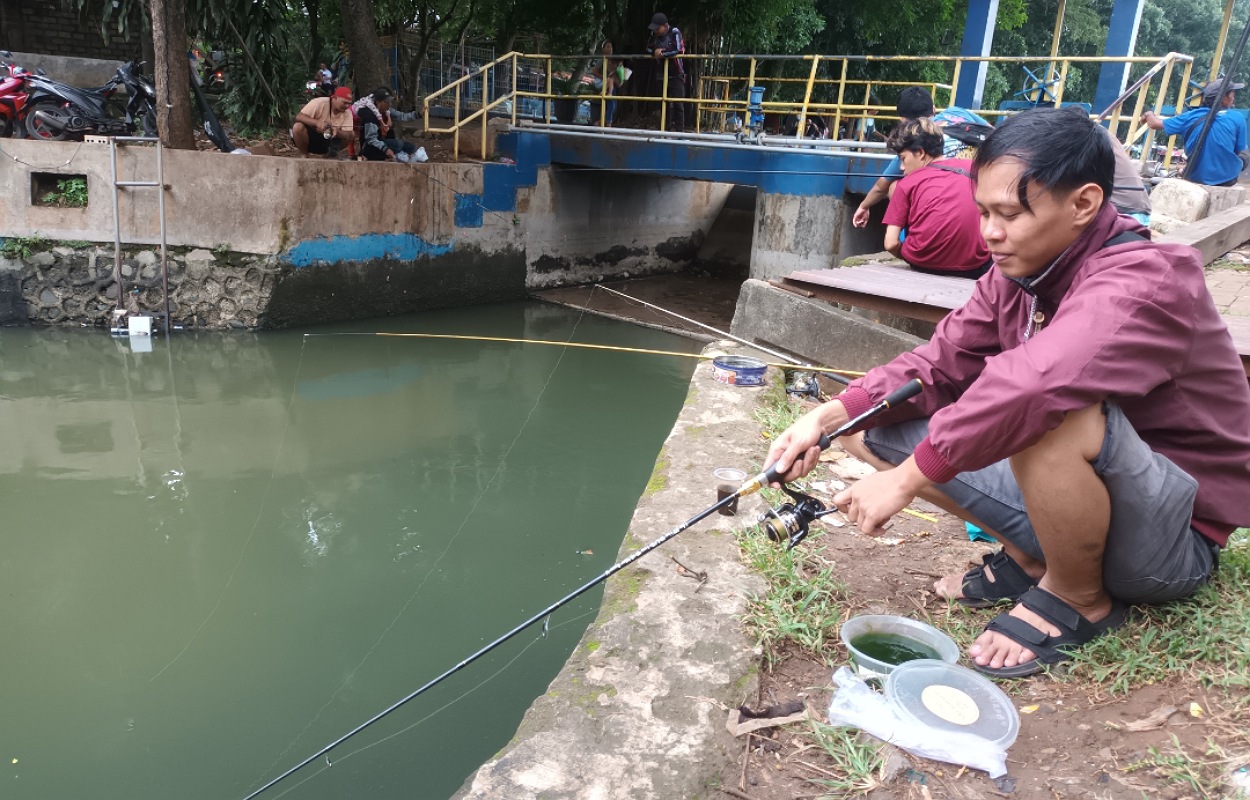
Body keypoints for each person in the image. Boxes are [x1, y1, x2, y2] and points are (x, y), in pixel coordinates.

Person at [765, 108, 1250, 679]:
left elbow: (1034, 385)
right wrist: (828, 416)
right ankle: (1029, 559)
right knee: (871, 422)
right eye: (984, 213)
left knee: (1050, 413)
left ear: (1084, 204)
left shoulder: (1146, 280)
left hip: (1170, 542)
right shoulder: (1020, 274)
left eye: (1010, 214)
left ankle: (1076, 597)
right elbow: (940, 362)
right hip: (1094, 506)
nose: (989, 232)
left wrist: (905, 479)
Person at [852, 87, 992, 227]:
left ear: (903, 120)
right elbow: (991, 131)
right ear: (934, 108)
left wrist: (863, 206)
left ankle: (911, 234)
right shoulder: (956, 112)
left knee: (895, 186)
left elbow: (880, 187)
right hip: (984, 194)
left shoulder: (913, 142)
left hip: (945, 211)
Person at [881, 118, 991, 278]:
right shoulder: (974, 168)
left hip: (922, 264)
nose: (901, 167)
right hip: (975, 266)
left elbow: (890, 243)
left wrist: (910, 255)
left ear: (920, 153)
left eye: (903, 159)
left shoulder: (905, 184)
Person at [1142, 79, 1249, 187]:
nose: (1233, 98)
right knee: (1244, 155)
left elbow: (1154, 123)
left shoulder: (1190, 116)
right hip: (1226, 180)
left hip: (1194, 177)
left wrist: (1149, 114)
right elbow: (1239, 151)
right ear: (1223, 98)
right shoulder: (1237, 117)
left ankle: (1187, 170)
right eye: (1232, 94)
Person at [352, 86, 421, 162]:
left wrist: (418, 114)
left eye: (390, 101)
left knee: (411, 147)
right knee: (398, 144)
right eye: (387, 102)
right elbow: (371, 139)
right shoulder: (370, 115)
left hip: (383, 142)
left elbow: (401, 116)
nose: (389, 104)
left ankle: (399, 155)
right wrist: (385, 149)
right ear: (379, 102)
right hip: (371, 147)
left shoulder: (387, 110)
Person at [647, 12, 686, 132]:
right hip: (661, 73)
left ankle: (680, 132)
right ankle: (665, 129)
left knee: (678, 103)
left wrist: (662, 53)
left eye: (658, 28)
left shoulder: (675, 32)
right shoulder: (654, 35)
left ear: (665, 26)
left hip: (676, 73)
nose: (656, 31)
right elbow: (648, 48)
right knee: (663, 103)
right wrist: (655, 52)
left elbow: (678, 50)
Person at [292, 86, 355, 158]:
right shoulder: (319, 103)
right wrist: (317, 123)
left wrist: (336, 131)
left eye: (349, 103)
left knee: (352, 134)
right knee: (297, 127)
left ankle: (330, 154)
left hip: (330, 140)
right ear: (335, 98)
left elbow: (348, 135)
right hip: (312, 137)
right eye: (344, 103)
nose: (347, 106)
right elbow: (299, 117)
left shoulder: (348, 112)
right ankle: (304, 154)